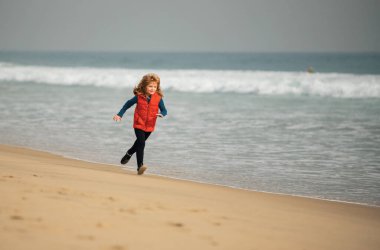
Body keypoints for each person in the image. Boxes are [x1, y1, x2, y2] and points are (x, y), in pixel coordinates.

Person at [113, 73, 167, 175]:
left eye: (155, 87)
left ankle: (129, 153)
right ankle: (140, 167)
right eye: (150, 86)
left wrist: (162, 114)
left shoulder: (158, 98)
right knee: (141, 143)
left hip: (150, 125)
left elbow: (164, 110)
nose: (152, 88)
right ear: (144, 86)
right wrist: (120, 114)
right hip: (139, 123)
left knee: (138, 143)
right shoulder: (139, 97)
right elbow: (127, 104)